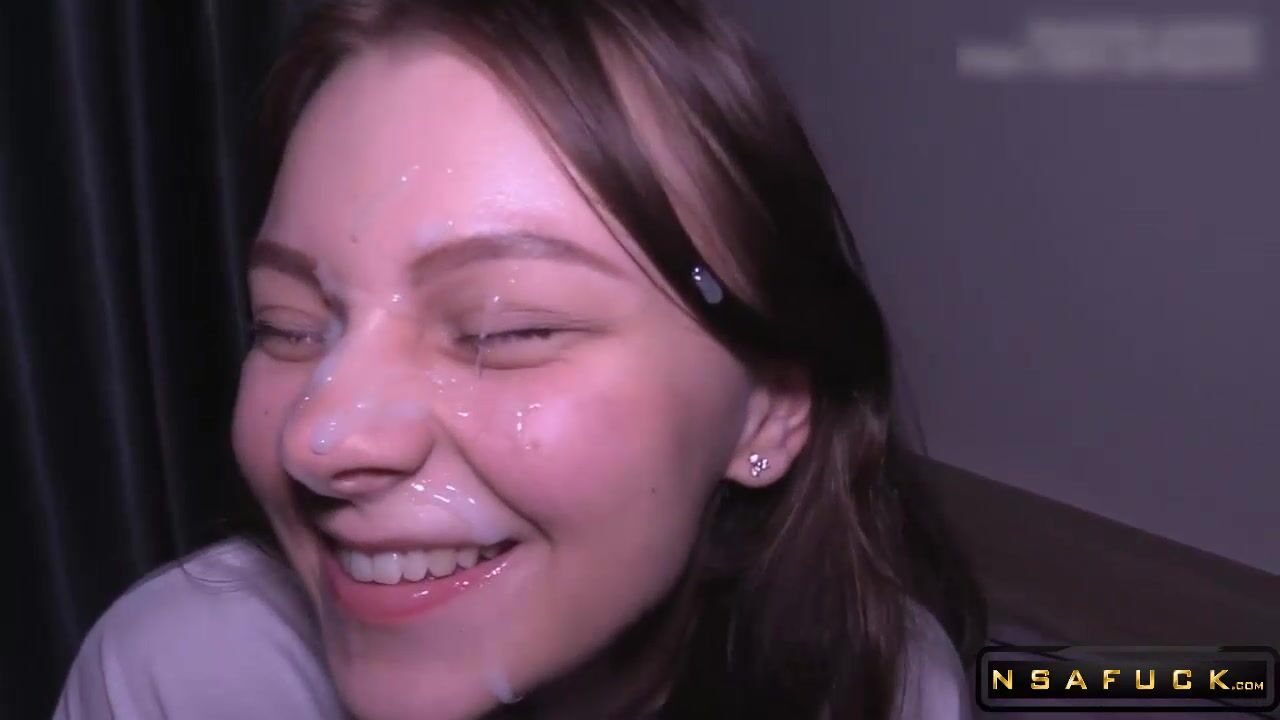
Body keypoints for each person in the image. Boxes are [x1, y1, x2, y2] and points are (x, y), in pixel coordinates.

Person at [54, 0, 985, 718]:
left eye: (505, 329)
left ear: (767, 412)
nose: (319, 437)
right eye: (288, 327)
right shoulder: (176, 680)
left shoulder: (881, 684)